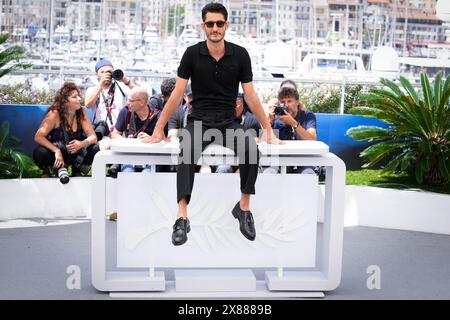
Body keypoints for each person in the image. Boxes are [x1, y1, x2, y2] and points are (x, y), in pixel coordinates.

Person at [142, 2, 280, 246]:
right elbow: (177, 94)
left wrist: (267, 128)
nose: (215, 28)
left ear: (226, 25)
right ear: (203, 26)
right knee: (186, 152)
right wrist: (158, 128)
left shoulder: (240, 55)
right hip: (199, 120)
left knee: (250, 148)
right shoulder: (192, 54)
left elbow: (250, 95)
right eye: (210, 24)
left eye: (219, 23)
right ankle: (181, 217)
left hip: (228, 122)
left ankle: (244, 208)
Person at [33, 82, 98, 184]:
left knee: (94, 148)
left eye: (79, 96)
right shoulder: (54, 113)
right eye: (74, 97)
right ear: (65, 101)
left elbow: (93, 137)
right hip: (58, 156)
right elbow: (38, 137)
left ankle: (77, 170)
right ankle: (48, 170)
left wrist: (82, 144)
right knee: (40, 152)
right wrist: (56, 151)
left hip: (76, 154)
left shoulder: (81, 113)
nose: (79, 99)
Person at [85, 59, 135, 176]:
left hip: (120, 133)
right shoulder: (92, 89)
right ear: (96, 74)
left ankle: (116, 169)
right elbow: (88, 103)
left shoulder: (121, 88)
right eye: (102, 72)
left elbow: (141, 95)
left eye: (109, 71)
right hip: (102, 134)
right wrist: (100, 84)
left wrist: (125, 80)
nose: (106, 74)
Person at [265, 86, 317, 174]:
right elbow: (264, 142)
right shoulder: (276, 118)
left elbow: (312, 139)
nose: (286, 105)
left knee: (308, 174)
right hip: (279, 160)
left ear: (297, 102)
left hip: (303, 159)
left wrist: (294, 123)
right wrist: (269, 120)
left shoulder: (307, 116)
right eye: (283, 102)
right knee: (269, 172)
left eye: (289, 101)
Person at [111, 87, 160, 173]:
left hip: (151, 157)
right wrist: (126, 141)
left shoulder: (157, 115)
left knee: (146, 174)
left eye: (130, 101)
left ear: (141, 102)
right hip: (130, 155)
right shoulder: (125, 111)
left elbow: (165, 139)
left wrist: (151, 138)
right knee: (128, 172)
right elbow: (114, 134)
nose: (127, 103)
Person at [215, 93, 261, 173]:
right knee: (223, 168)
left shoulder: (252, 120)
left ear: (241, 104)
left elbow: (256, 145)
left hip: (246, 159)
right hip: (225, 158)